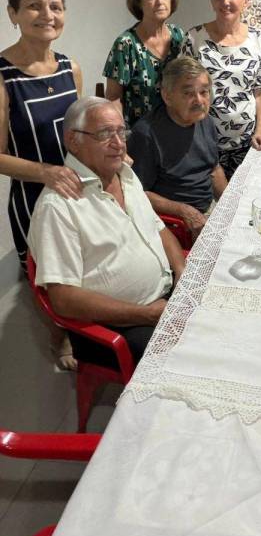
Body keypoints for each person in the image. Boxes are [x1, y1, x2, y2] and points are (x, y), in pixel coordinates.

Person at [28, 97, 185, 367]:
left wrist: (182, 272)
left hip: (164, 298)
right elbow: (63, 299)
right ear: (73, 140)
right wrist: (147, 314)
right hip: (118, 325)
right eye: (104, 134)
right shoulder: (58, 206)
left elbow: (158, 229)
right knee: (190, 361)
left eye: (121, 132)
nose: (119, 144)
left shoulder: (124, 174)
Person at [0, 0, 82, 369]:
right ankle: (59, 334)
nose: (47, 15)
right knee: (49, 277)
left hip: (76, 189)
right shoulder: (3, 77)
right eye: (34, 6)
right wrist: (47, 173)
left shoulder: (70, 68)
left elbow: (79, 133)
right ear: (13, 13)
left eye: (55, 6)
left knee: (80, 265)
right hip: (33, 198)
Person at [181, 0, 261, 179]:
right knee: (208, 198)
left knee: (241, 194)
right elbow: (182, 91)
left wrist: (259, 131)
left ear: (245, 1)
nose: (225, 1)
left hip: (246, 143)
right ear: (211, 1)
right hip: (203, 143)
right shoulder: (194, 38)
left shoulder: (258, 39)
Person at [128, 57, 227, 241]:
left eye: (204, 92)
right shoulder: (146, 134)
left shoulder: (205, 120)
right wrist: (183, 210)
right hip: (174, 223)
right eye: (188, 93)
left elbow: (214, 169)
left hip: (206, 211)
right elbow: (135, 192)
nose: (199, 101)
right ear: (167, 96)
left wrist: (230, 205)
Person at [103, 0, 185, 128]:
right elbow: (113, 98)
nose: (160, 2)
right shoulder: (125, 44)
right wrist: (121, 134)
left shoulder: (178, 36)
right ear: (139, 3)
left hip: (176, 129)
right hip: (139, 133)